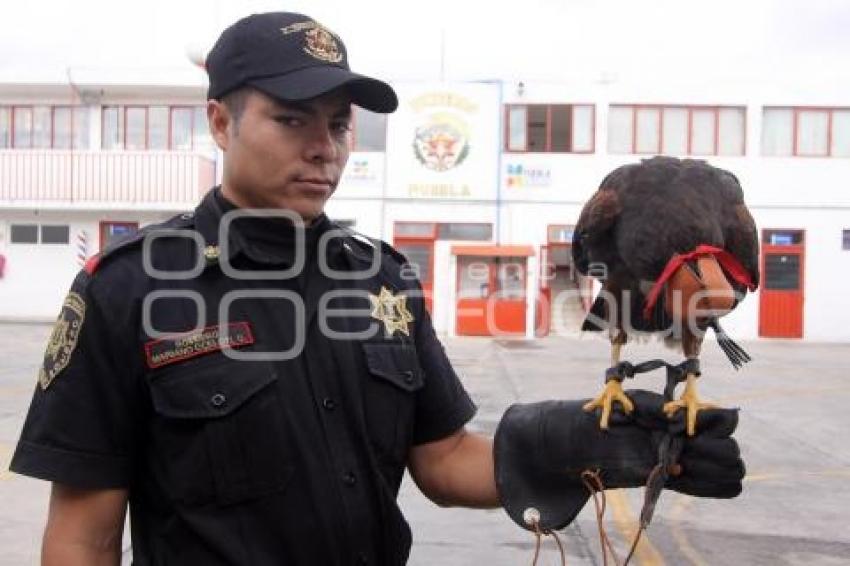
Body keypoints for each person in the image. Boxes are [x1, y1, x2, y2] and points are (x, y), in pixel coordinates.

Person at [9, 11, 745, 566]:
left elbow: (444, 459)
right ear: (220, 122)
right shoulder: (130, 290)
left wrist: (584, 442)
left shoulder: (382, 278)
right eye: (291, 119)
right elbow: (82, 531)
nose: (323, 147)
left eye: (338, 124)